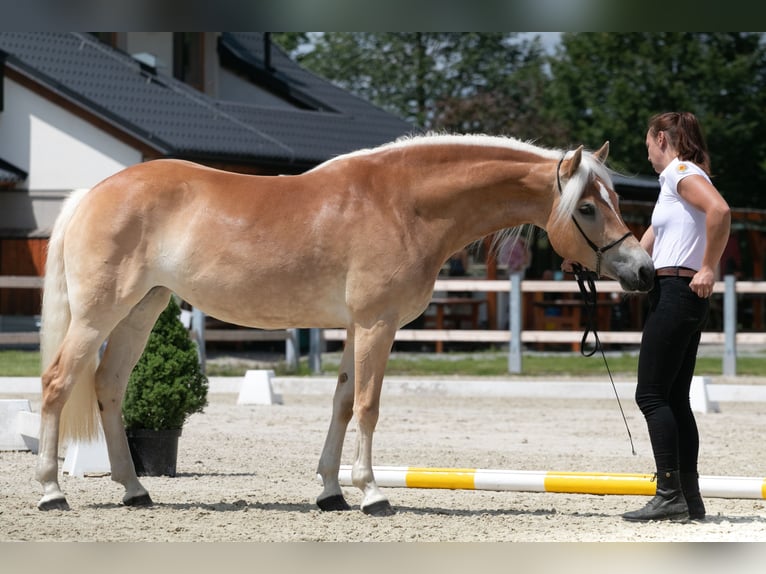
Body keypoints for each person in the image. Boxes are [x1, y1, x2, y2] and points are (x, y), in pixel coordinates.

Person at [622, 112, 731, 522]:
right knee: (673, 398)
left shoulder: (680, 172)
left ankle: (668, 493)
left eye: (648, 142)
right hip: (676, 294)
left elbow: (720, 211)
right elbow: (638, 252)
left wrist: (708, 267)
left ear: (662, 139)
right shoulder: (676, 184)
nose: (647, 150)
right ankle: (689, 496)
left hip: (678, 292)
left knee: (649, 395)